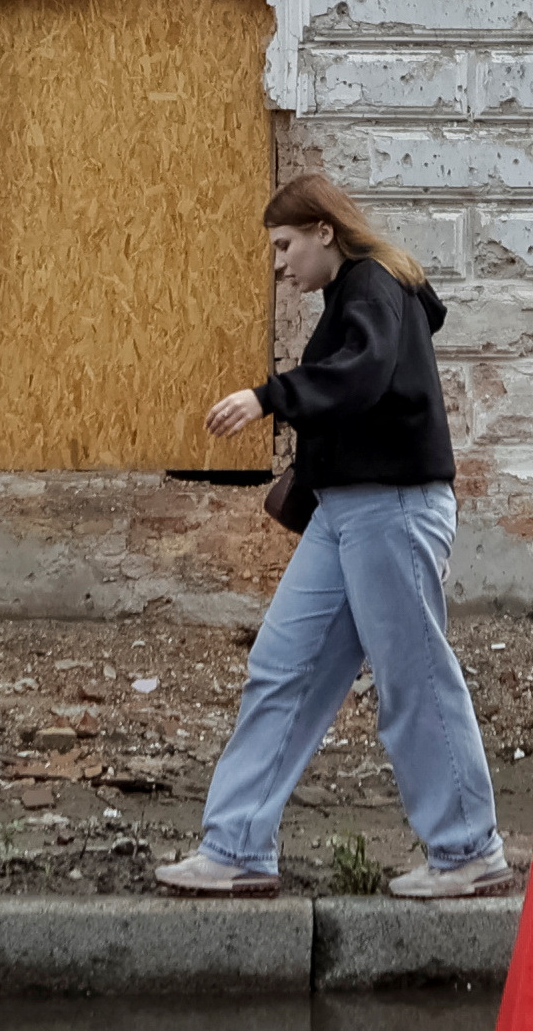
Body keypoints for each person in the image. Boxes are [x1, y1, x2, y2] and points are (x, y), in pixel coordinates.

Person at [151, 171, 511, 900]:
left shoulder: (374, 282)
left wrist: (268, 395)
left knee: (412, 677)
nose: (280, 263)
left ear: (324, 230)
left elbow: (363, 374)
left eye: (285, 244)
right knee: (282, 666)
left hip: (393, 510)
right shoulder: (354, 294)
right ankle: (236, 846)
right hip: (350, 514)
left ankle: (468, 849)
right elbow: (358, 387)